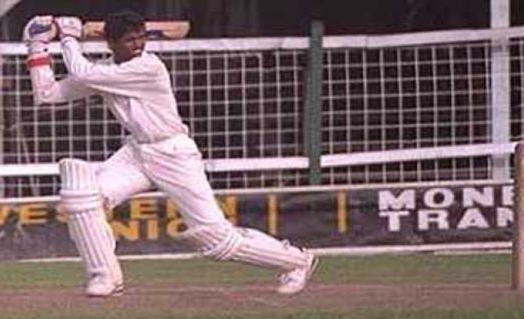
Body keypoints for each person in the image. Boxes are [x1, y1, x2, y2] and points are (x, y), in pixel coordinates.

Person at [22, 11, 318, 298]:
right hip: (137, 152)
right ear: (111, 43)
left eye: (141, 37)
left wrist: (70, 38)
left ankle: (296, 260)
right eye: (130, 40)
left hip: (173, 153)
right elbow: (48, 93)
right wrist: (37, 47)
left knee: (217, 241)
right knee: (82, 197)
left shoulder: (148, 67)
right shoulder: (107, 72)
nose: (138, 45)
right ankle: (105, 276)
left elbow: (82, 71)